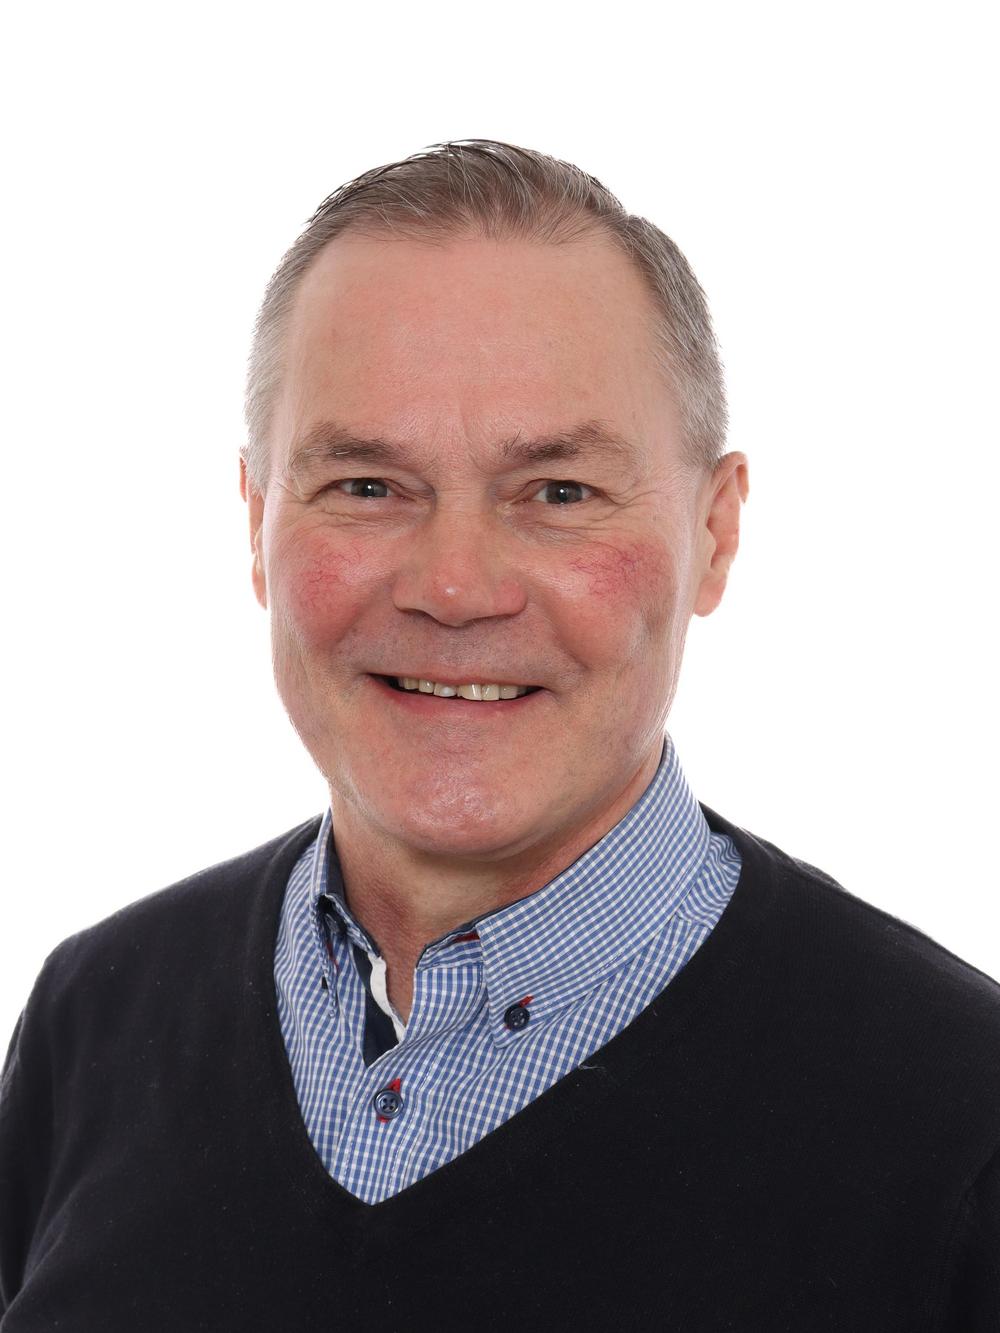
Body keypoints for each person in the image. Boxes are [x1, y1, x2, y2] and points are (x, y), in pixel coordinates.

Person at [1, 140, 997, 1331]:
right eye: (367, 486)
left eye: (559, 493)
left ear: (715, 533)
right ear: (258, 521)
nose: (455, 587)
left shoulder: (959, 1117)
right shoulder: (93, 1020)